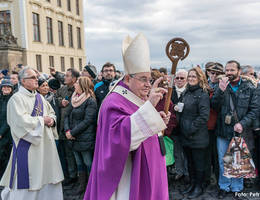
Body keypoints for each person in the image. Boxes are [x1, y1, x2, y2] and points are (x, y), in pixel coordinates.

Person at [84, 33, 171, 200]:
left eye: (150, 79)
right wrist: (150, 108)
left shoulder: (136, 95)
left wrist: (157, 119)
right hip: (127, 174)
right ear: (128, 78)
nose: (148, 84)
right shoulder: (114, 101)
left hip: (150, 165)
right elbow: (121, 137)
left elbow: (142, 121)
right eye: (143, 79)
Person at [0, 67, 64, 200]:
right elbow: (19, 122)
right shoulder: (16, 99)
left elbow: (51, 113)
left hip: (46, 146)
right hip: (28, 147)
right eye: (33, 77)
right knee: (29, 177)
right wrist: (42, 120)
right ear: (23, 81)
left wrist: (52, 120)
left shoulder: (40, 97)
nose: (37, 80)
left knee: (48, 175)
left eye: (37, 77)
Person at [211, 60, 259, 199]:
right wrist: (220, 90)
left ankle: (237, 187)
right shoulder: (220, 85)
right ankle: (224, 186)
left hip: (239, 130)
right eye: (227, 70)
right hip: (223, 130)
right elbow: (214, 106)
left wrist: (243, 123)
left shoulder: (249, 87)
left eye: (232, 70)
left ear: (238, 71)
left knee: (238, 160)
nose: (229, 73)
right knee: (223, 160)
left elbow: (254, 110)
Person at [179, 66, 210, 199]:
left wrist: (191, 128)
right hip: (185, 135)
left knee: (198, 164)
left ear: (199, 78)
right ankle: (192, 184)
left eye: (194, 76)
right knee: (190, 163)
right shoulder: (186, 92)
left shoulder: (202, 94)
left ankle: (199, 186)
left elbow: (204, 116)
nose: (191, 79)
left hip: (197, 136)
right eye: (190, 76)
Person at [64, 77, 97, 194]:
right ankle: (81, 186)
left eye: (77, 83)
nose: (74, 85)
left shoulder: (90, 101)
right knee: (79, 163)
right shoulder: (74, 98)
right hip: (73, 138)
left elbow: (88, 121)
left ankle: (92, 187)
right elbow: (66, 115)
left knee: (88, 163)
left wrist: (72, 133)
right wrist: (67, 130)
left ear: (83, 85)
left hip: (84, 138)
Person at [56, 68, 80, 185]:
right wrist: (60, 102)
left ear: (74, 79)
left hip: (73, 128)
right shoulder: (62, 89)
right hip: (61, 126)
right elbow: (55, 99)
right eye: (65, 75)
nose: (65, 77)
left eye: (67, 76)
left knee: (74, 155)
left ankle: (76, 176)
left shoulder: (78, 89)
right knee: (65, 153)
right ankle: (69, 175)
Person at [204, 63, 224, 186]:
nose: (214, 75)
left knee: (218, 157)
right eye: (212, 73)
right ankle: (210, 178)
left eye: (217, 73)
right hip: (208, 126)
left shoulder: (221, 87)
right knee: (209, 156)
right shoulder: (206, 85)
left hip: (219, 125)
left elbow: (215, 105)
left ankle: (218, 180)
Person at [170, 69, 189, 180]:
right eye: (177, 78)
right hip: (174, 126)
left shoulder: (189, 91)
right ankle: (179, 171)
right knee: (176, 151)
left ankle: (187, 172)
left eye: (182, 78)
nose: (179, 80)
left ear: (186, 80)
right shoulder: (170, 91)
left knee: (186, 152)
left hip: (187, 126)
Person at [0, 79, 13, 180]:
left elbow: (9, 119)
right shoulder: (0, 99)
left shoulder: (12, 100)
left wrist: (1, 132)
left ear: (11, 89)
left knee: (6, 157)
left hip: (7, 133)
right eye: (4, 87)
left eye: (8, 87)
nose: (6, 89)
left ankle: (6, 179)